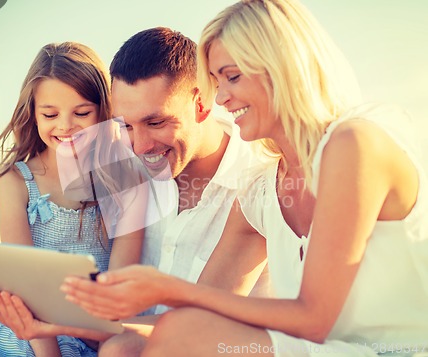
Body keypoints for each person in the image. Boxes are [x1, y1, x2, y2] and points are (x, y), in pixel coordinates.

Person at [53, 1, 428, 356]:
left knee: (178, 336)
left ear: (283, 67)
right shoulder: (261, 187)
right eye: (217, 80)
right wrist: (59, 325)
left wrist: (169, 288)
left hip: (386, 351)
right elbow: (199, 315)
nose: (220, 99)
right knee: (127, 348)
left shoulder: (354, 142)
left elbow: (314, 319)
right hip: (318, 349)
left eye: (231, 77)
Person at [0, 27, 269, 355]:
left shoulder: (255, 184)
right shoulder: (122, 171)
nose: (139, 145)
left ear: (202, 104)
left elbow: (195, 326)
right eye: (126, 125)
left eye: (156, 122)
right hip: (123, 341)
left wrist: (57, 324)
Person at [0, 42, 145, 357]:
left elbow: (118, 303)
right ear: (33, 114)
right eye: (50, 114)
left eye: (82, 112)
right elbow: (23, 288)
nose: (65, 126)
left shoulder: (126, 182)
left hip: (89, 335)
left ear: (105, 110)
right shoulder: (15, 181)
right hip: (21, 335)